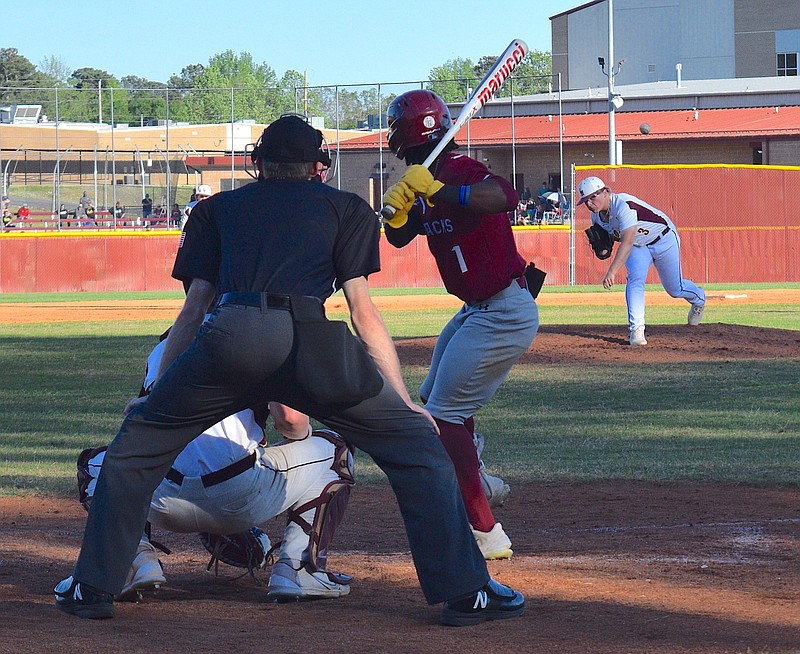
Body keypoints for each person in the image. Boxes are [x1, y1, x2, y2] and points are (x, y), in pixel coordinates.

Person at [53, 114, 523, 627]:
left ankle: (91, 587)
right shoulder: (346, 208)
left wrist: (154, 397)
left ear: (257, 164)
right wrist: (404, 401)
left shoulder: (215, 210)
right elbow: (364, 313)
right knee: (418, 449)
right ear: (318, 166)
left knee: (133, 449)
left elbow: (193, 310)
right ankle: (466, 592)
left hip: (228, 336)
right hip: (310, 342)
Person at [75, 334, 355, 603]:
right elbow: (290, 420)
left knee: (98, 464)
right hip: (241, 499)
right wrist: (299, 443)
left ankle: (133, 560)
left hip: (161, 500)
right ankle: (298, 569)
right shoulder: (263, 337)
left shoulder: (166, 346)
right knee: (335, 449)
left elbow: (142, 435)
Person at [380, 90, 539, 561]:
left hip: (504, 309)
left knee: (444, 417)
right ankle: (482, 481)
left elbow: (503, 197)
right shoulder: (423, 175)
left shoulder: (459, 171)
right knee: (436, 403)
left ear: (406, 135)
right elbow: (399, 236)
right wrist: (402, 207)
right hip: (476, 310)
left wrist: (437, 191)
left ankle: (486, 533)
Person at [576, 176, 706, 346]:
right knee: (635, 279)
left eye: (593, 197)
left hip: (663, 239)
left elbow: (627, 241)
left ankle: (699, 298)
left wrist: (612, 271)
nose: (589, 204)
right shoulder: (596, 217)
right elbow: (616, 240)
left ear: (605, 192)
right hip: (639, 246)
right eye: (586, 201)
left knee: (675, 289)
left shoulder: (624, 206)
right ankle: (637, 330)